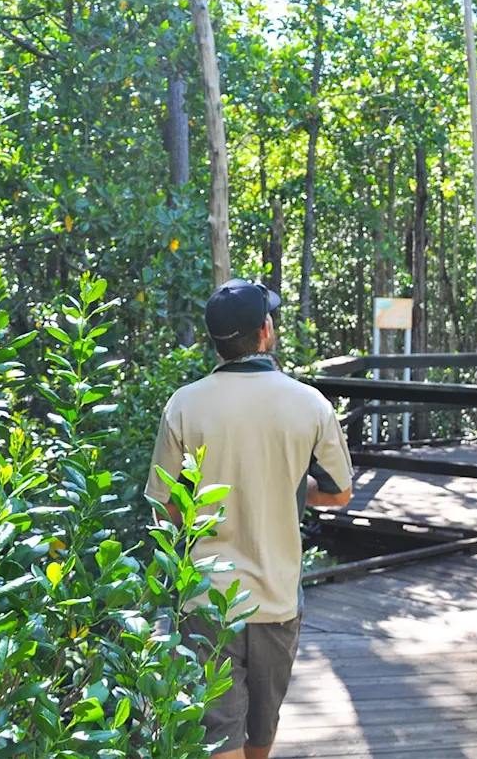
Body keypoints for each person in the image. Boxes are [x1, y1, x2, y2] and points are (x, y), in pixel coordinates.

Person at [145, 278, 353, 759]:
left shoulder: (185, 403)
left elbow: (164, 503)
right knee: (262, 731)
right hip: (276, 597)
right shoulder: (309, 404)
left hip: (208, 600)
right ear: (265, 331)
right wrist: (290, 495)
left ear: (217, 341)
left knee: (220, 733)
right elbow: (340, 493)